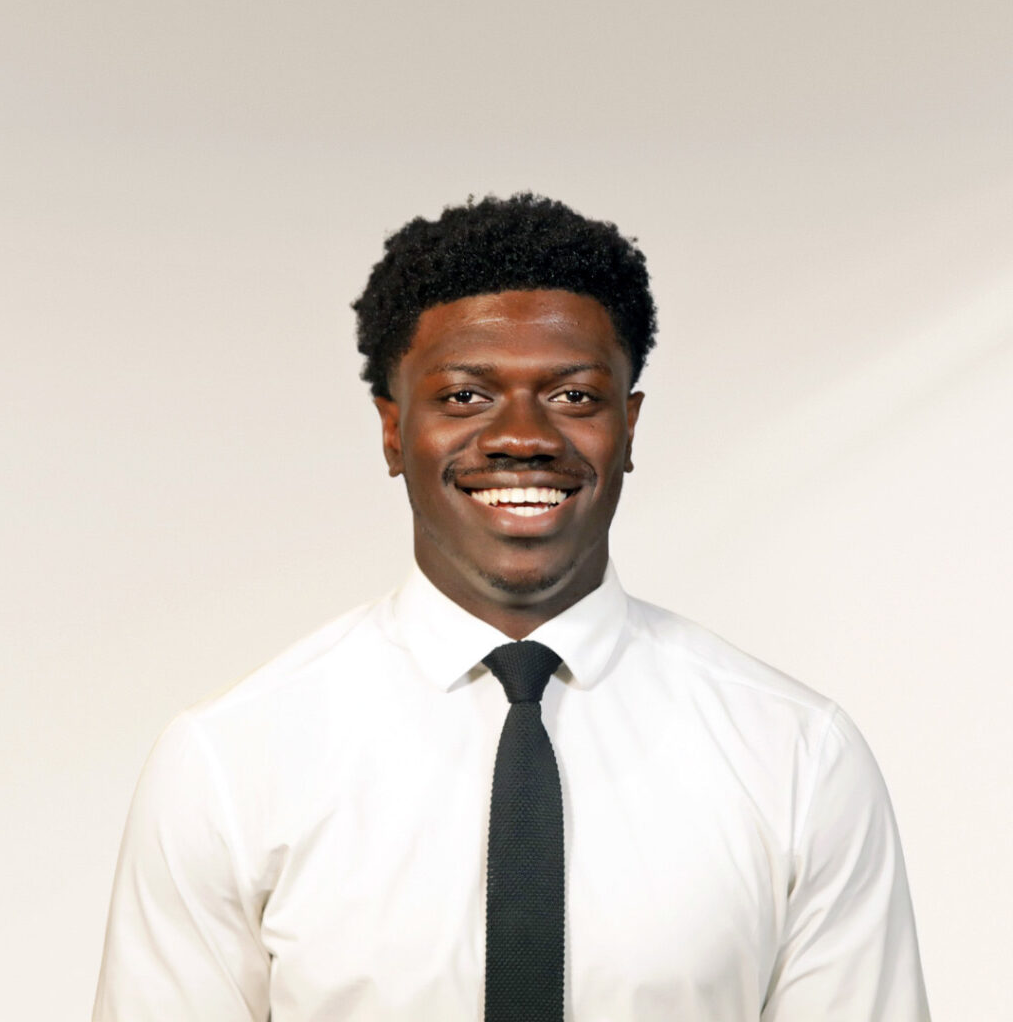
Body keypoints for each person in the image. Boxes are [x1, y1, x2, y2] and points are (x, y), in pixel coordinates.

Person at [93, 193, 931, 1021]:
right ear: (393, 431)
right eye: (465, 396)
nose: (523, 436)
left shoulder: (797, 757)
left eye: (574, 396)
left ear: (629, 428)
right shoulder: (231, 762)